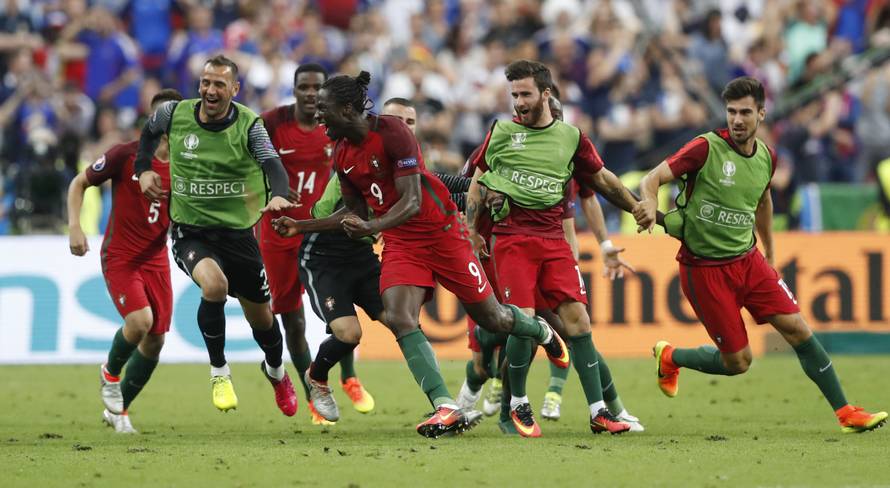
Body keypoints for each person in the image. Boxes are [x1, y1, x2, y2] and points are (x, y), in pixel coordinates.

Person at [277, 70, 570, 438]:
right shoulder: (342, 154)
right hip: (401, 241)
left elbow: (413, 200)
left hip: (443, 233)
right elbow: (355, 212)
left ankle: (540, 330)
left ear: (348, 108)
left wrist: (371, 228)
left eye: (324, 109)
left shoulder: (392, 132)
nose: (317, 115)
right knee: (400, 317)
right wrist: (301, 226)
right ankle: (444, 406)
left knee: (493, 318)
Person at [633, 76, 888, 434]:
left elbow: (764, 201)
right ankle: (671, 356)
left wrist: (769, 251)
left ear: (762, 115)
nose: (737, 120)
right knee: (738, 362)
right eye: (732, 112)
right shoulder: (705, 148)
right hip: (704, 269)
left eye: (745, 113)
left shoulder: (767, 157)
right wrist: (647, 201)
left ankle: (846, 412)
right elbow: (651, 179)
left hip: (749, 261)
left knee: (798, 329)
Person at [466, 60, 640, 437]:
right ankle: (517, 405)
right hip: (512, 241)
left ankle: (599, 412)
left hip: (554, 242)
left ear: (546, 94)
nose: (518, 102)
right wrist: (470, 231)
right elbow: (475, 185)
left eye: (525, 94)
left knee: (579, 321)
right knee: (523, 323)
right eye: (514, 95)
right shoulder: (500, 133)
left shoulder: (571, 137)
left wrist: (636, 206)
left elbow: (603, 182)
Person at [134, 55, 297, 416]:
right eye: (206, 82)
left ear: (234, 89)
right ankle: (219, 372)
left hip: (239, 236)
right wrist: (143, 170)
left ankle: (275, 371)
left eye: (219, 84)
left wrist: (280, 193)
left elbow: (273, 165)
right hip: (191, 232)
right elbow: (147, 135)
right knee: (214, 285)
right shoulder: (173, 114)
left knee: (263, 321)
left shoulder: (249, 125)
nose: (210, 89)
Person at [257, 63, 374, 424]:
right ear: (293, 89)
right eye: (303, 87)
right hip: (280, 231)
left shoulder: (335, 126)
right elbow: (246, 166)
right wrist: (272, 188)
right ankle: (313, 394)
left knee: (340, 311)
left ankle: (349, 377)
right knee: (292, 318)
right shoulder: (271, 123)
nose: (310, 93)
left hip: (327, 229)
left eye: (316, 88)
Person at [67, 88, 184, 434]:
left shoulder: (186, 166)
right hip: (121, 256)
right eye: (159, 116)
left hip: (156, 257)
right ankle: (110, 373)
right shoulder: (125, 155)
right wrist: (74, 226)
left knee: (156, 341)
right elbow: (78, 183)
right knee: (139, 322)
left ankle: (119, 412)